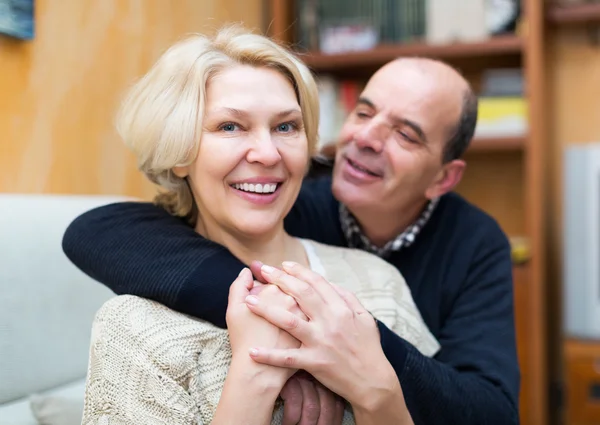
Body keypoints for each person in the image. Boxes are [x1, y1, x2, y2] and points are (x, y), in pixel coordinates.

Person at [63, 38, 520, 425]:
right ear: (179, 148)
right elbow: (100, 230)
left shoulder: (431, 260)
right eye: (363, 114)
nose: (265, 152)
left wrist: (366, 370)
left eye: (286, 126)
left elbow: (489, 409)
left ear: (443, 178)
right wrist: (291, 325)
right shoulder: (287, 198)